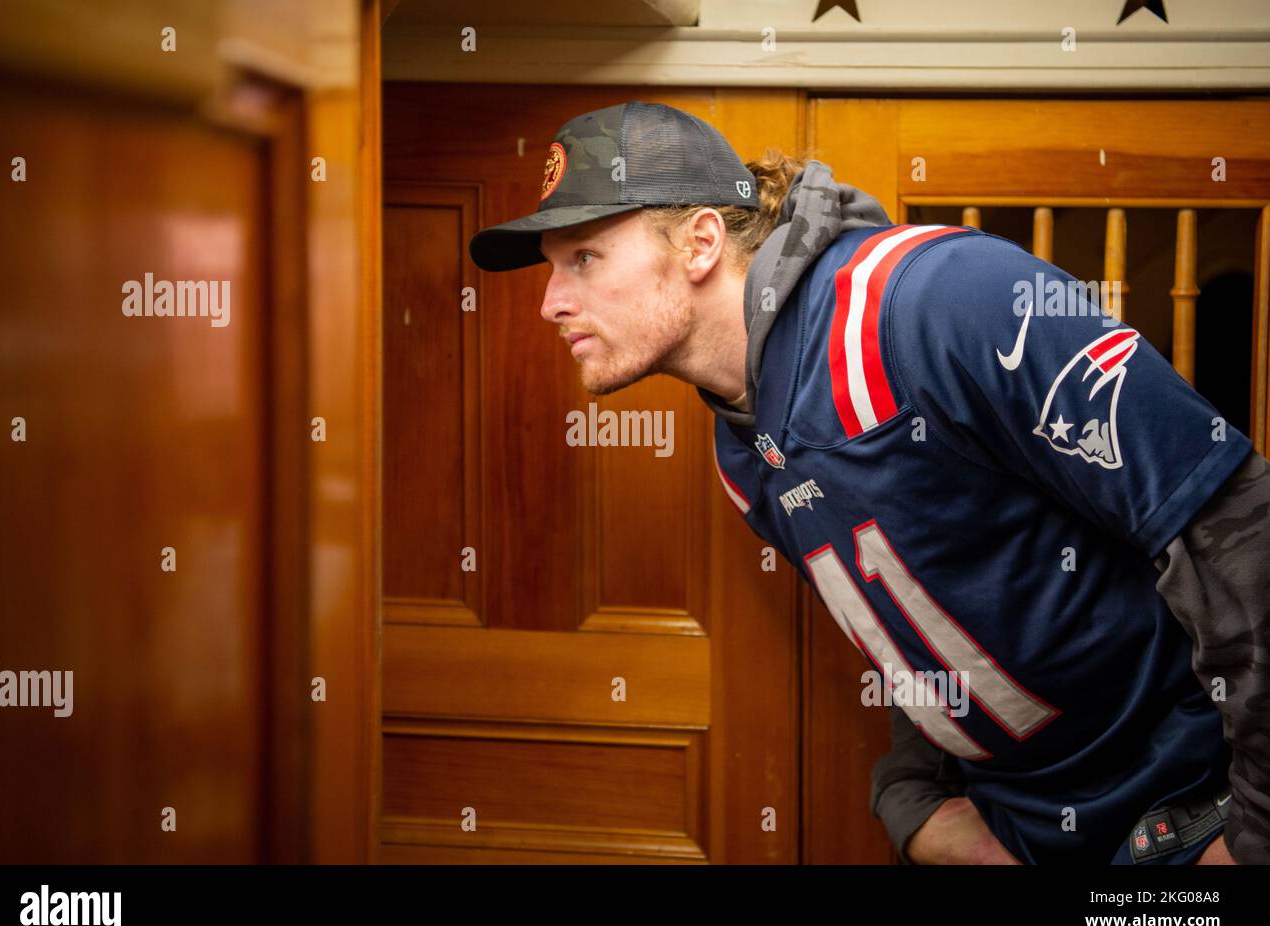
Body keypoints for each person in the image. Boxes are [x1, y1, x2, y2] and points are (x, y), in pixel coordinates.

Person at [467, 99, 1270, 865]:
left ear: (702, 241)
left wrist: (1254, 835)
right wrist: (916, 800)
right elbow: (912, 621)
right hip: (1020, 829)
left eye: (584, 258)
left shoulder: (938, 299)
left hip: (1189, 809)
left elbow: (1235, 522)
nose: (550, 303)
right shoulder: (741, 451)